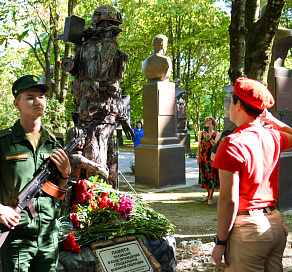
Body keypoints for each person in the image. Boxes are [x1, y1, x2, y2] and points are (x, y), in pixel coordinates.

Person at [211, 77, 292, 271]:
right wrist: (271, 120)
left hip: (249, 231)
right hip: (275, 224)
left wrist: (220, 242)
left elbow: (228, 200)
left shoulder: (232, 143)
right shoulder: (273, 135)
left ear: (238, 105)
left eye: (231, 102)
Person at [0, 75, 71, 271]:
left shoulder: (54, 143)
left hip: (48, 235)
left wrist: (64, 175)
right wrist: (1, 209)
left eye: (41, 96)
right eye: (30, 97)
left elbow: (55, 189)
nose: (37, 101)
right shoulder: (3, 142)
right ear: (17, 104)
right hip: (15, 235)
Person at [197, 116, 220, 205]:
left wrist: (210, 138)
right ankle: (208, 194)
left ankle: (210, 197)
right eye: (206, 123)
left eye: (210, 123)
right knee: (205, 177)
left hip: (212, 158)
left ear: (213, 125)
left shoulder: (216, 134)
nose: (208, 125)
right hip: (203, 158)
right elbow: (199, 146)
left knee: (212, 177)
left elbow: (216, 146)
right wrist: (198, 157)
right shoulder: (201, 134)